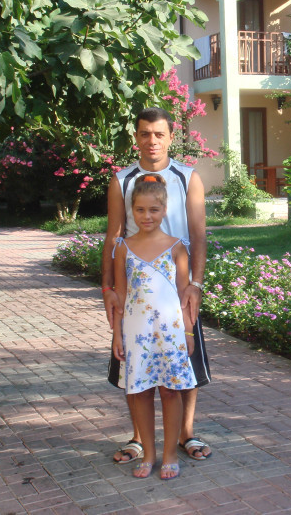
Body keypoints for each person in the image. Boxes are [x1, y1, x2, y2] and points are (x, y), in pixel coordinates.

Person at [102, 107, 212, 466]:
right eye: (145, 134)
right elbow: (114, 236)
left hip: (177, 285)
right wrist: (108, 288)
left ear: (170, 137)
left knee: (183, 362)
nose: (152, 141)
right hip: (136, 291)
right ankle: (139, 437)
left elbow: (198, 234)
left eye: (159, 134)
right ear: (136, 137)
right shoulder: (122, 180)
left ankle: (185, 433)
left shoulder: (187, 177)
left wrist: (195, 284)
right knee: (134, 364)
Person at [111, 173, 196, 479]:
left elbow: (185, 295)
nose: (147, 216)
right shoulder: (123, 248)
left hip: (169, 332)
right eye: (140, 210)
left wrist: (188, 331)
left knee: (170, 391)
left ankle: (170, 453)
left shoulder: (177, 247)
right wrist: (117, 335)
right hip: (137, 334)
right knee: (141, 392)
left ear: (164, 210)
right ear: (132, 211)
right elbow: (120, 296)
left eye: (153, 210)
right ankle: (148, 453)